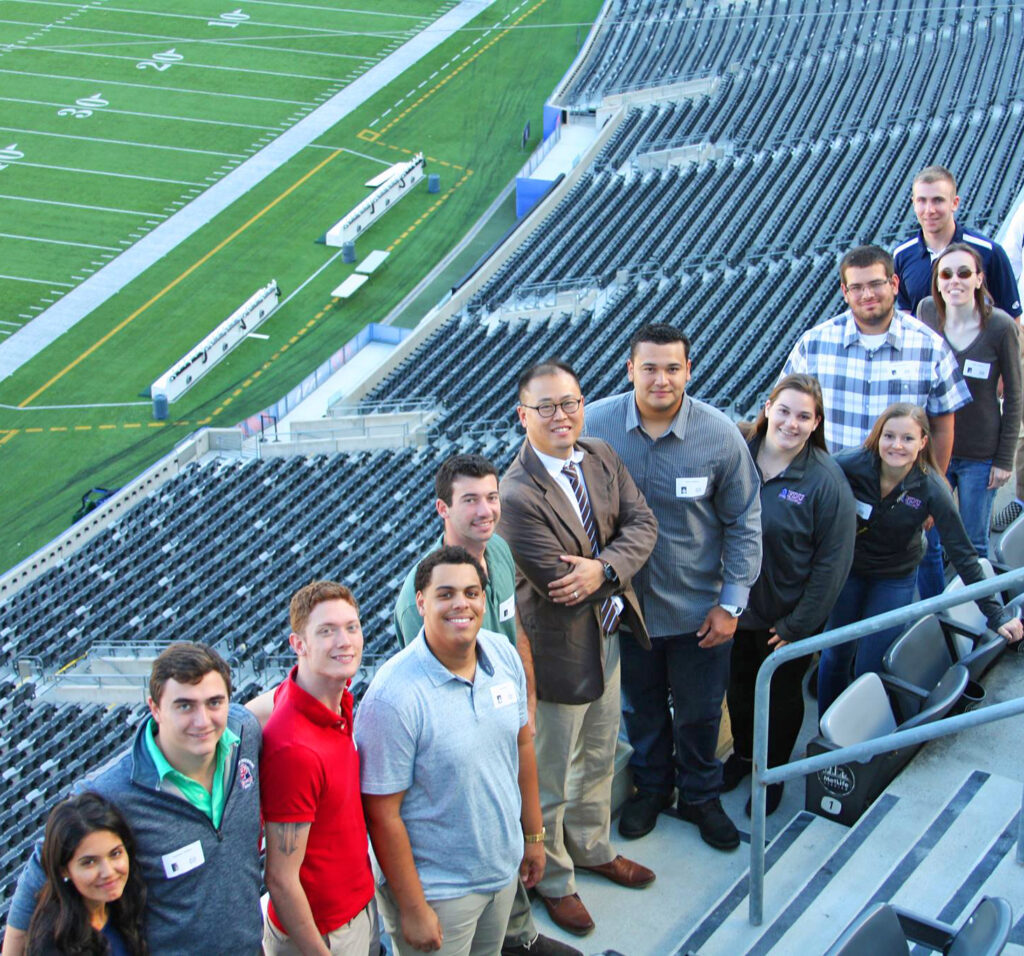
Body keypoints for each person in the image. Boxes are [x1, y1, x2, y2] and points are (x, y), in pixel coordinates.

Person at [586, 325, 761, 850]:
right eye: (649, 368)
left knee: (701, 712)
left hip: (698, 610)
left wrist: (731, 604)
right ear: (629, 369)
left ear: (689, 370)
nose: (661, 379)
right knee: (640, 708)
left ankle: (701, 797)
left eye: (672, 368)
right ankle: (653, 789)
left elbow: (744, 520)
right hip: (627, 608)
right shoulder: (595, 427)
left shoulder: (719, 434)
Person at [498, 361, 658, 936]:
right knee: (552, 773)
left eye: (570, 402)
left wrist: (605, 568)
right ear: (523, 416)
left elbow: (643, 524)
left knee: (599, 752)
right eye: (547, 407)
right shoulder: (515, 494)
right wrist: (609, 568)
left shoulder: (600, 454)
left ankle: (592, 847)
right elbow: (557, 580)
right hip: (559, 650)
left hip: (609, 633)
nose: (561, 415)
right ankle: (556, 879)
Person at [391, 456, 576, 956]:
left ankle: (517, 930)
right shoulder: (420, 597)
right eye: (469, 499)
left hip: (502, 718)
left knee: (511, 821)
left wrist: (527, 704)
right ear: (442, 509)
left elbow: (514, 636)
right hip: (460, 747)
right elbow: (437, 690)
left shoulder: (496, 551)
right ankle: (516, 934)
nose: (484, 510)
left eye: (491, 497)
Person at [3, 644, 263, 956]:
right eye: (184, 706)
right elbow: (42, 866)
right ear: (154, 708)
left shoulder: (244, 732)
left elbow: (286, 694)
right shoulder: (111, 790)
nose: (202, 720)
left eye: (214, 702)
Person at [356, 547, 545, 956]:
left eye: (471, 592)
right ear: (421, 602)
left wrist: (532, 836)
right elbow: (382, 815)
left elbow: (521, 746)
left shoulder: (502, 653)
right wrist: (413, 907)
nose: (461, 603)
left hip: (500, 871)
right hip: (438, 893)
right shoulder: (392, 698)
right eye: (445, 594)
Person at [781, 243, 972, 599]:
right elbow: (783, 414)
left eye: (876, 284)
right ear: (844, 291)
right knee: (830, 594)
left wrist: (934, 486)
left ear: (895, 284)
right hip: (831, 497)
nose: (867, 294)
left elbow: (943, 424)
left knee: (896, 594)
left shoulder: (929, 346)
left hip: (898, 502)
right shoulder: (815, 343)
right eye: (857, 287)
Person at [817, 403, 1024, 714]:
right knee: (835, 655)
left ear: (923, 442)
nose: (897, 446)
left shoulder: (931, 487)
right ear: (877, 437)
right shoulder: (851, 464)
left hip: (894, 577)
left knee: (870, 666)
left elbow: (964, 555)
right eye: (889, 436)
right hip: (850, 572)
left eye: (908, 439)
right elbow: (812, 478)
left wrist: (995, 615)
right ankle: (826, 740)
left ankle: (861, 741)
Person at [723, 375, 856, 816]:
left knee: (779, 698)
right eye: (784, 410)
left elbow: (832, 564)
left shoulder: (825, 481)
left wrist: (798, 624)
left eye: (804, 416)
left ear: (817, 422)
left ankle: (773, 773)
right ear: (766, 408)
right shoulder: (736, 453)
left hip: (785, 619)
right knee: (738, 691)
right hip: (732, 609)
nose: (791, 423)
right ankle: (743, 758)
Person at [260, 581, 377, 956]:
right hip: (323, 933)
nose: (344, 641)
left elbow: (253, 710)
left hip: (356, 908)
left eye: (351, 627)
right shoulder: (294, 749)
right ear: (299, 645)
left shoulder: (329, 698)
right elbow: (279, 878)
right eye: (326, 631)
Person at [915, 243, 1023, 559]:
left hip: (980, 454)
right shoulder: (927, 313)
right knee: (929, 542)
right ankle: (939, 606)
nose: (955, 281)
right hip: (936, 452)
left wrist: (1004, 460)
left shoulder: (1000, 326)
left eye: (964, 273)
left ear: (978, 279)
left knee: (974, 544)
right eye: (946, 274)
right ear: (936, 281)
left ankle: (976, 606)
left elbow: (1015, 396)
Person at [892, 165, 1021, 319]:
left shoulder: (989, 253)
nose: (929, 210)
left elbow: (1012, 320)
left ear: (955, 203)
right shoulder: (902, 255)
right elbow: (906, 312)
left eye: (938, 200)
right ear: (913, 204)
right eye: (922, 201)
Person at [26, 792, 147, 956]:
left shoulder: (126, 903)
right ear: (64, 870)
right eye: (89, 862)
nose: (108, 872)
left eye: (115, 854)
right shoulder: (54, 944)